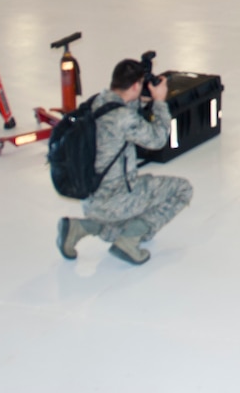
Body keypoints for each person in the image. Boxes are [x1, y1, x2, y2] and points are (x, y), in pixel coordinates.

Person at [55, 59, 194, 266]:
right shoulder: (123, 118)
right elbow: (157, 139)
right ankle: (129, 240)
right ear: (137, 85)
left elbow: (123, 114)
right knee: (183, 190)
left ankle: (81, 227)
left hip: (92, 198)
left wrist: (142, 99)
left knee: (122, 215)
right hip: (117, 200)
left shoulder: (98, 102)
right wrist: (159, 103)